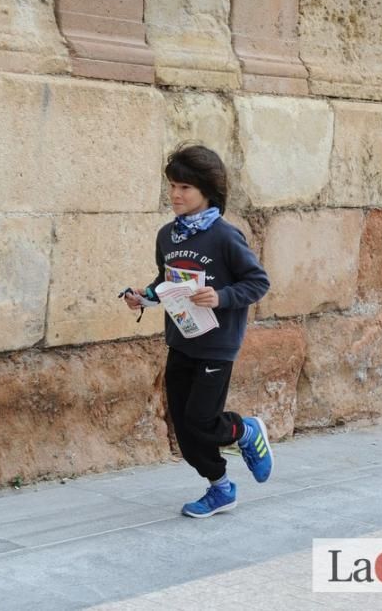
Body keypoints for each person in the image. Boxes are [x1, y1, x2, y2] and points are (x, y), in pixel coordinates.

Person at [124, 144, 272, 518]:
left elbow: (257, 282)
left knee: (202, 420)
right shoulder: (166, 237)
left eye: (185, 187)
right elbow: (166, 282)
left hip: (216, 345)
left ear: (206, 190)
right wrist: (144, 297)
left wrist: (221, 296)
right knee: (185, 428)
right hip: (181, 341)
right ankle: (221, 488)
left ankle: (244, 431)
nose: (175, 194)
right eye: (173, 185)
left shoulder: (225, 237)